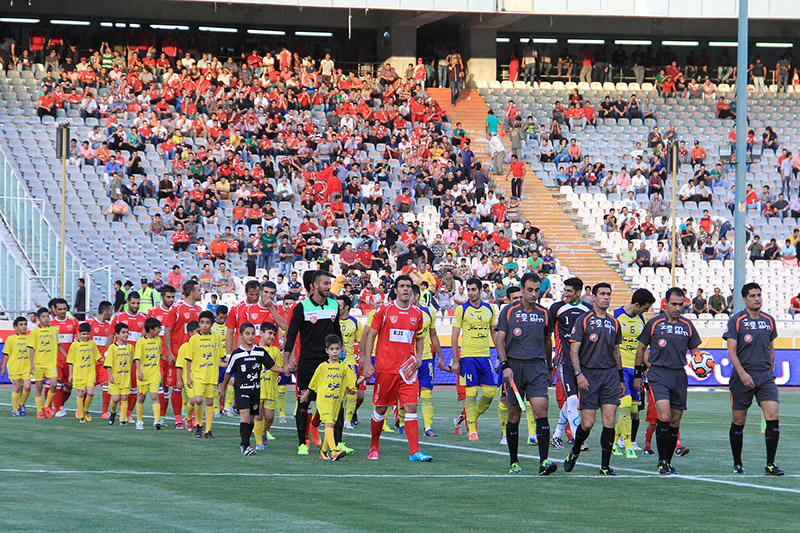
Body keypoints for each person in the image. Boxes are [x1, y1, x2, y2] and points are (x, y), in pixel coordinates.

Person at [361, 275, 433, 462]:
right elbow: (371, 336)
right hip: (386, 370)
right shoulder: (384, 310)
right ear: (395, 290)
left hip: (407, 372)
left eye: (408, 286)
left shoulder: (417, 314)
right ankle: (374, 446)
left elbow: (419, 337)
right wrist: (368, 363)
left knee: (411, 407)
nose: (405, 289)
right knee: (381, 409)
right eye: (401, 286)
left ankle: (414, 452)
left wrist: (418, 356)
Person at [634, 287, 702, 475]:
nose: (677, 308)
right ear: (666, 303)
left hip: (679, 375)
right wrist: (638, 374)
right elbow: (641, 349)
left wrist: (702, 363)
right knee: (664, 417)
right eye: (674, 304)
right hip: (658, 375)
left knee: (675, 421)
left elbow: (696, 352)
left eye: (681, 304)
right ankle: (662, 461)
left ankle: (668, 461)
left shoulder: (687, 325)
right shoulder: (655, 323)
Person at [496, 273, 557, 476]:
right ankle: (514, 461)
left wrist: (549, 367)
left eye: (536, 290)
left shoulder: (545, 313)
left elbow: (548, 340)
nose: (533, 294)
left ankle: (544, 461)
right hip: (514, 367)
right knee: (514, 416)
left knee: (541, 411)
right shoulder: (508, 311)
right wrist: (505, 365)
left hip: (537, 368)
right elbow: (499, 340)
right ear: (521, 289)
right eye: (529, 290)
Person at [562, 283, 624, 476]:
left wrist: (621, 378)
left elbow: (616, 351)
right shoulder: (584, 320)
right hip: (589, 375)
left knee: (609, 421)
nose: (606, 297)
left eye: (608, 294)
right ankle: (575, 450)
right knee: (587, 423)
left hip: (610, 376)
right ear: (594, 298)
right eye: (602, 294)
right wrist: (578, 373)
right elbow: (574, 351)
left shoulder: (614, 323)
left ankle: (605, 466)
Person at [724, 283, 783, 476]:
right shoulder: (737, 320)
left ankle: (770, 464)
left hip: (765, 376)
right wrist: (742, 373)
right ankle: (737, 463)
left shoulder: (769, 320)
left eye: (759, 295)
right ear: (744, 299)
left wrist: (771, 374)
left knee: (773, 416)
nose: (757, 298)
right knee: (739, 420)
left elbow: (771, 350)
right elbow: (731, 352)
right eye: (752, 296)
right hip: (743, 376)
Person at [283, 270, 344, 456]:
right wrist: (287, 360)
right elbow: (291, 335)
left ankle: (338, 444)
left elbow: (336, 331)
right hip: (307, 363)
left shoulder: (334, 305)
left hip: (329, 362)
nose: (328, 287)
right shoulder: (302, 307)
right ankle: (302, 443)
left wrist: (341, 351)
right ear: (315, 285)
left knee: (336, 402)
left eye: (329, 284)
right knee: (304, 401)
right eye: (325, 283)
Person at [221, 322, 285, 456]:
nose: (250, 336)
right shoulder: (237, 354)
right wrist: (223, 390)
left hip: (255, 390)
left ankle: (244, 442)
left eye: (252, 334)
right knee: (244, 417)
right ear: (241, 336)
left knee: (250, 419)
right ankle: (246, 446)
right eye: (247, 334)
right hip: (242, 390)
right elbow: (228, 372)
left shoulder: (260, 352)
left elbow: (271, 366)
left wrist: (285, 370)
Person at [451, 277, 498, 441]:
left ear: (480, 290)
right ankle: (472, 430)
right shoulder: (461, 310)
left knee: (490, 393)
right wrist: (456, 360)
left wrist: (500, 355)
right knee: (470, 395)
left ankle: (469, 418)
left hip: (485, 357)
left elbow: (494, 332)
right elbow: (455, 335)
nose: (470, 293)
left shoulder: (490, 309)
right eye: (468, 290)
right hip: (467, 357)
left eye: (473, 290)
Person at [612, 289, 656, 458]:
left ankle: (616, 443)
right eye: (644, 308)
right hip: (620, 369)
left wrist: (648, 366)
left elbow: (642, 348)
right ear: (636, 304)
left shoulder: (641, 320)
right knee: (625, 404)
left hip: (635, 369)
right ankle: (628, 446)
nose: (645, 311)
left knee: (633, 409)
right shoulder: (615, 316)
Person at [300, 335, 357, 461]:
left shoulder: (344, 367)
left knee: (330, 425)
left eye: (337, 349)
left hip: (336, 401)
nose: (335, 351)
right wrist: (306, 395)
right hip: (324, 400)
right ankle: (334, 451)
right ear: (327, 351)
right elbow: (312, 384)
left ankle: (323, 451)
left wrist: (360, 382)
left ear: (341, 349)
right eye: (332, 349)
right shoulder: (322, 367)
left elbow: (351, 384)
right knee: (329, 424)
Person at [549, 277, 591, 448]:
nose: (565, 294)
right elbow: (547, 333)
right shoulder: (557, 309)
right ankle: (577, 440)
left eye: (569, 291)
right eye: (564, 290)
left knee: (569, 401)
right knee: (573, 400)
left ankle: (557, 435)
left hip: (582, 363)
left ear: (578, 293)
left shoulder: (587, 311)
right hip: (563, 361)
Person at [163, 280, 203, 429]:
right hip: (178, 354)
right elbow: (168, 331)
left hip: (195, 356)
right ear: (192, 293)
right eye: (199, 291)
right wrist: (169, 352)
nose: (201, 293)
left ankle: (191, 417)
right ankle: (178, 419)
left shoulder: (199, 309)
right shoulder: (176, 308)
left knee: (193, 386)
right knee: (177, 386)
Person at [185, 311, 226, 439]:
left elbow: (221, 356)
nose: (204, 325)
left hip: (211, 375)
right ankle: (198, 424)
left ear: (212, 324)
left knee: (209, 402)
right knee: (198, 400)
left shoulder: (216, 338)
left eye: (207, 323)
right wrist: (188, 377)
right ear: (199, 324)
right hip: (197, 375)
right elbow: (188, 359)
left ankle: (208, 430)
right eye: (202, 323)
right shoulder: (194, 339)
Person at [412, 284, 444, 437]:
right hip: (407, 360)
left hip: (425, 359)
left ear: (417, 296)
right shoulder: (402, 313)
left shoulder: (429, 313)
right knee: (407, 395)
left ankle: (427, 427)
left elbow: (433, 335)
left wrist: (441, 356)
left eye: (410, 294)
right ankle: (403, 423)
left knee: (426, 394)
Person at [338, 295, 365, 430]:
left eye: (340, 305)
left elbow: (361, 343)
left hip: (350, 361)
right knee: (335, 391)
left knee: (352, 391)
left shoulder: (355, 323)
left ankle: (348, 420)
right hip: (335, 363)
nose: (337, 307)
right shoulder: (333, 322)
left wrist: (363, 360)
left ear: (346, 307)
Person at [50, 298, 80, 417]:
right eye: (60, 309)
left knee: (69, 385)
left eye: (64, 309)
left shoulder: (73, 322)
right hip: (56, 359)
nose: (63, 311)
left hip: (70, 359)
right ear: (54, 310)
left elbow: (78, 338)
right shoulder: (51, 324)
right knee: (56, 382)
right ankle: (58, 408)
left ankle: (59, 404)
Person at [66, 323, 101, 423]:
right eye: (83, 334)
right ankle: (81, 416)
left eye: (87, 334)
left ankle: (85, 410)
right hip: (79, 373)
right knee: (80, 394)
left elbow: (98, 357)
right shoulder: (75, 345)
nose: (85, 336)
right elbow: (70, 361)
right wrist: (70, 374)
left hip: (89, 373)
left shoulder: (92, 344)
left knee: (90, 393)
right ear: (79, 334)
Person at [28, 307, 59, 418]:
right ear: (38, 318)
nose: (46, 319)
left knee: (54, 384)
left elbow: (57, 345)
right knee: (39, 387)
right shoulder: (35, 332)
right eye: (43, 317)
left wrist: (67, 357)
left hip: (51, 363)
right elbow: (31, 348)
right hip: (38, 363)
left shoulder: (54, 330)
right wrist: (31, 364)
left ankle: (46, 406)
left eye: (47, 317)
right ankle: (39, 411)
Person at [133, 318, 163, 431]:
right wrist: (139, 372)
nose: (160, 330)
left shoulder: (158, 340)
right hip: (143, 374)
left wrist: (169, 359)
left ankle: (157, 420)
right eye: (158, 328)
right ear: (151, 330)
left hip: (155, 373)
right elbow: (137, 358)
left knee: (155, 396)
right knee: (141, 397)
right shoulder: (141, 342)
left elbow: (159, 354)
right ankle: (139, 420)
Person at [2, 317, 32, 417]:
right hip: (14, 366)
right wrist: (3, 368)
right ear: (15, 327)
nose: (24, 326)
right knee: (17, 387)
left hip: (26, 367)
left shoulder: (30, 338)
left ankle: (21, 403)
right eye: (21, 324)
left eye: (25, 324)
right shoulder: (11, 339)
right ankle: (15, 409)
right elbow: (6, 354)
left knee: (27, 387)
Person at [104, 323, 134, 426]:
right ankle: (112, 412)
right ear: (117, 334)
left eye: (127, 332)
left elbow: (132, 361)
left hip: (125, 377)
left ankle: (123, 420)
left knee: (124, 398)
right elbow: (108, 364)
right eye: (123, 332)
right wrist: (110, 376)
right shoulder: (112, 348)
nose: (126, 335)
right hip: (115, 378)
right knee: (115, 399)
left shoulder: (130, 347)